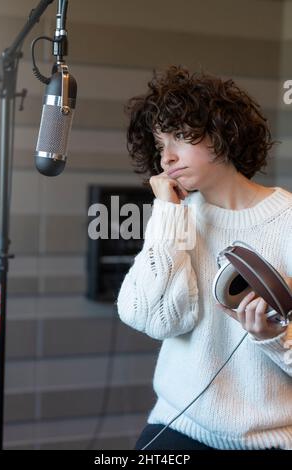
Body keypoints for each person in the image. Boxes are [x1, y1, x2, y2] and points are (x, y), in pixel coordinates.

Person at [116, 65, 292, 450]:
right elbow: (150, 317)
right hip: (176, 426)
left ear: (223, 135)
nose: (168, 157)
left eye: (180, 137)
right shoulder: (174, 216)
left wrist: (275, 337)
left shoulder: (288, 221)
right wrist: (167, 213)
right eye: (161, 144)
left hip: (271, 439)